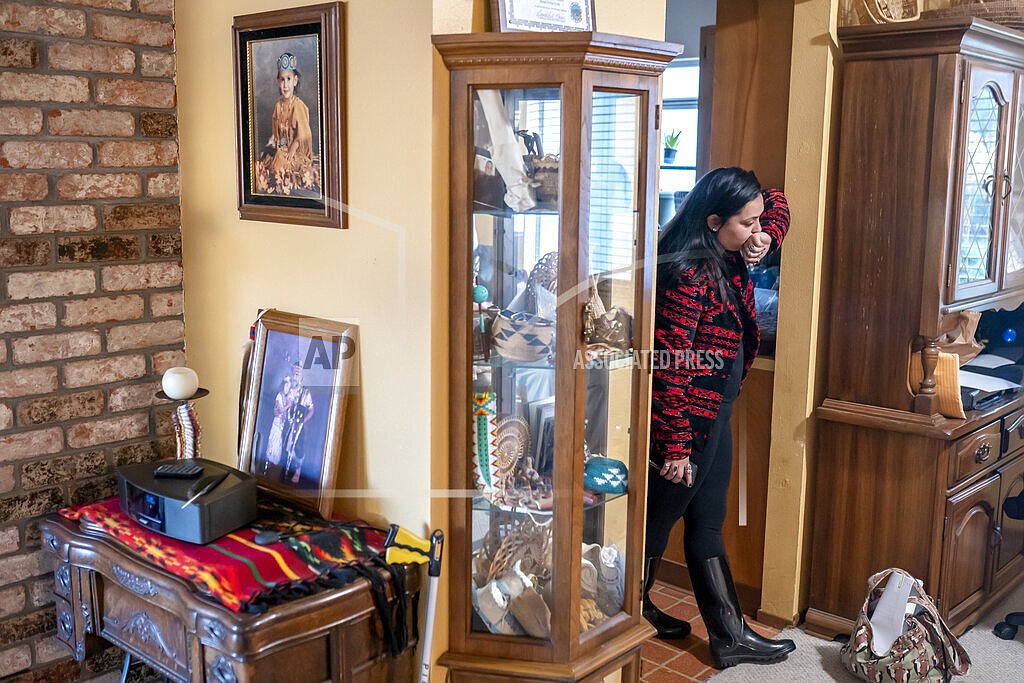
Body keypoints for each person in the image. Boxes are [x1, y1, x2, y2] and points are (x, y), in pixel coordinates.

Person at [643, 167, 796, 669]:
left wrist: (767, 231)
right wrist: (677, 446)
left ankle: (729, 635)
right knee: (652, 526)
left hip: (716, 412)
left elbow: (777, 200)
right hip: (689, 421)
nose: (757, 234)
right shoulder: (688, 272)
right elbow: (669, 367)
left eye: (758, 224)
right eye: (747, 224)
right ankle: (627, 610)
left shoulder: (726, 252)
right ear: (713, 221)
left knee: (708, 522)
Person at [256, 52, 316, 192]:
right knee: (266, 159)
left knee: (279, 161)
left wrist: (291, 150)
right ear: (278, 82)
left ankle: (281, 175)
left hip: (296, 150)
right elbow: (277, 133)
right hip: (283, 147)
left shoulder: (298, 106)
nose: (285, 85)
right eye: (282, 80)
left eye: (288, 79)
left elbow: (302, 135)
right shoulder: (278, 106)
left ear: (295, 81)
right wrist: (271, 145)